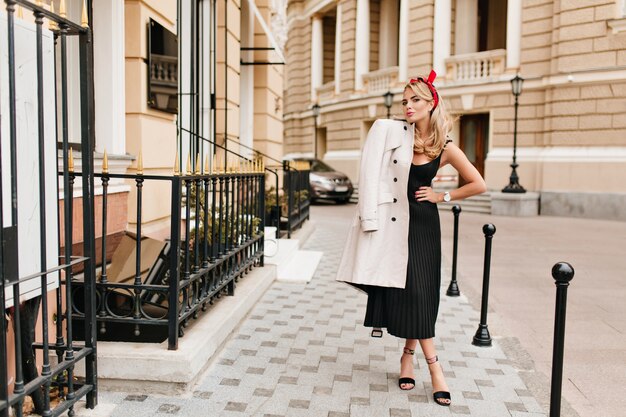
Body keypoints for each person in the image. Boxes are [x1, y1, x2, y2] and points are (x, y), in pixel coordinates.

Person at [336, 70, 487, 406]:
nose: (408, 106)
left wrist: (442, 196)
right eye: (405, 101)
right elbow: (372, 172)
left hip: (424, 228)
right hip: (394, 229)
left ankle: (416, 360)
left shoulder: (445, 146)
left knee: (422, 296)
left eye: (415, 100)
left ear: (432, 103)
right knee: (406, 295)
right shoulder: (394, 136)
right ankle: (430, 367)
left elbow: (478, 183)